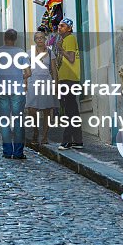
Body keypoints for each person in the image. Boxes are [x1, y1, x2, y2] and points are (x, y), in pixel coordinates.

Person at [0, 29, 29, 160]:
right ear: (15, 39)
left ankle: (7, 151)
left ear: (4, 38)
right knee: (18, 121)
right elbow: (28, 73)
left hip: (2, 89)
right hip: (17, 90)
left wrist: (0, 74)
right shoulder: (21, 52)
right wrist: (18, 76)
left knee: (5, 121)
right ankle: (18, 153)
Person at [54, 18, 83, 151]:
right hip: (66, 79)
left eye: (63, 26)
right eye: (59, 25)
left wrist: (60, 49)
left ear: (70, 28)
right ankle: (78, 141)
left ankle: (66, 141)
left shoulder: (70, 39)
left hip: (69, 79)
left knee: (69, 111)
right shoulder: (65, 40)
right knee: (73, 111)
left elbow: (71, 58)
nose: (59, 27)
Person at [25, 32, 60, 145]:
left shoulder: (50, 53)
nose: (40, 40)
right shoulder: (29, 53)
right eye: (37, 38)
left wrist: (55, 84)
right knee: (32, 109)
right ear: (34, 40)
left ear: (45, 39)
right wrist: (25, 84)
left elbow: (54, 70)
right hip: (33, 81)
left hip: (46, 82)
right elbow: (26, 70)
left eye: (41, 38)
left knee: (47, 110)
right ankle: (35, 131)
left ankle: (45, 135)